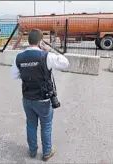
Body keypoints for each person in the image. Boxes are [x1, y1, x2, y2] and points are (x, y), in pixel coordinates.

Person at [11, 29, 69, 161]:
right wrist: (49, 50)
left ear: (28, 40)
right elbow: (66, 63)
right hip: (43, 99)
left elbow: (13, 75)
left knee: (31, 124)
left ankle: (32, 150)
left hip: (27, 98)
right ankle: (47, 152)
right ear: (40, 41)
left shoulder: (19, 57)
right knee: (46, 125)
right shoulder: (46, 56)